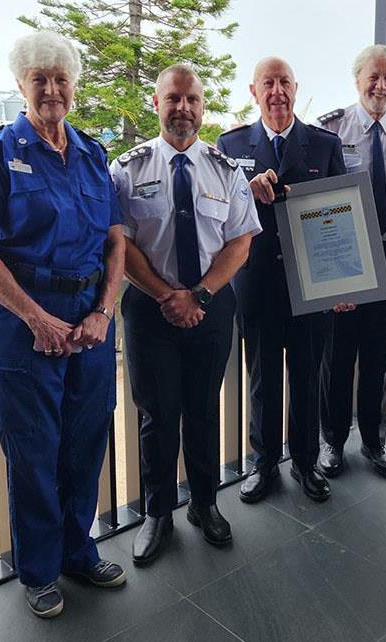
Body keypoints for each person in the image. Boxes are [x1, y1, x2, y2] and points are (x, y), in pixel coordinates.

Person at [0, 32, 126, 618]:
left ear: (74, 86)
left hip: (90, 324)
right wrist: (35, 316)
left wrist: (103, 310)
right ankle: (40, 570)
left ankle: (78, 550)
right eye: (38, 79)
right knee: (33, 449)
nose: (51, 89)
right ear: (20, 85)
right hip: (23, 324)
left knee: (85, 439)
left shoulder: (94, 155)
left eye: (60, 78)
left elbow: (115, 242)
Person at [110, 64, 261, 565]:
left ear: (202, 107)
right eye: (173, 98)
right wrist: (165, 295)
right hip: (150, 312)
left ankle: (204, 503)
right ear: (156, 103)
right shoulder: (127, 171)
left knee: (201, 408)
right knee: (158, 414)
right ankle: (157, 514)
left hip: (211, 309)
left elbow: (239, 243)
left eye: (192, 99)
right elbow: (121, 245)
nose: (183, 108)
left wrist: (197, 296)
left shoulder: (226, 170)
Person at [217, 57, 347, 503]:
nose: (277, 91)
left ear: (296, 87)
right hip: (257, 286)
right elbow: (218, 215)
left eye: (284, 82)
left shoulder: (324, 145)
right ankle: (265, 463)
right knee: (263, 380)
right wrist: (244, 191)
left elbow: (341, 215)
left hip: (312, 287)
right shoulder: (230, 144)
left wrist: (344, 285)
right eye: (267, 83)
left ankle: (307, 464)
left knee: (309, 380)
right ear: (254, 92)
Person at [315, 45, 386, 479]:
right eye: (373, 77)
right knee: (337, 354)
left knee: (380, 354)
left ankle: (375, 442)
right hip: (344, 256)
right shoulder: (331, 129)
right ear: (357, 79)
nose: (381, 86)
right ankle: (332, 442)